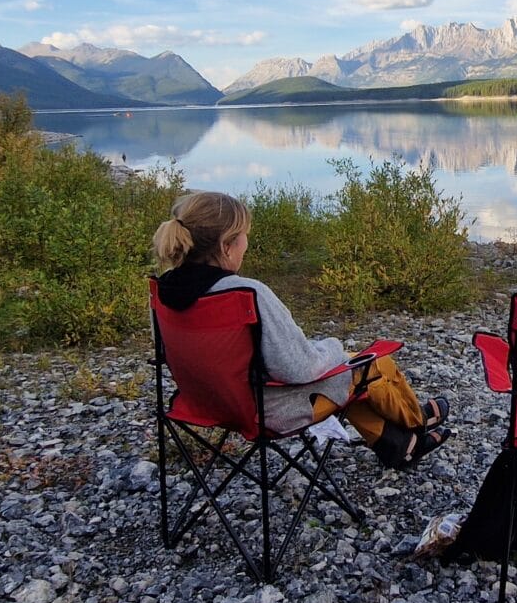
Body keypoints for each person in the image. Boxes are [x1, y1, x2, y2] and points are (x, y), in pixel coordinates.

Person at [151, 191, 449, 469]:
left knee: (348, 377)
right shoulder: (244, 294)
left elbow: (169, 354)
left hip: (204, 402)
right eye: (244, 237)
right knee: (370, 364)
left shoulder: (165, 290)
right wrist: (334, 348)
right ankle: (417, 422)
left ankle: (398, 445)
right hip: (263, 411)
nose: (246, 244)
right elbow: (299, 369)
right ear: (226, 246)